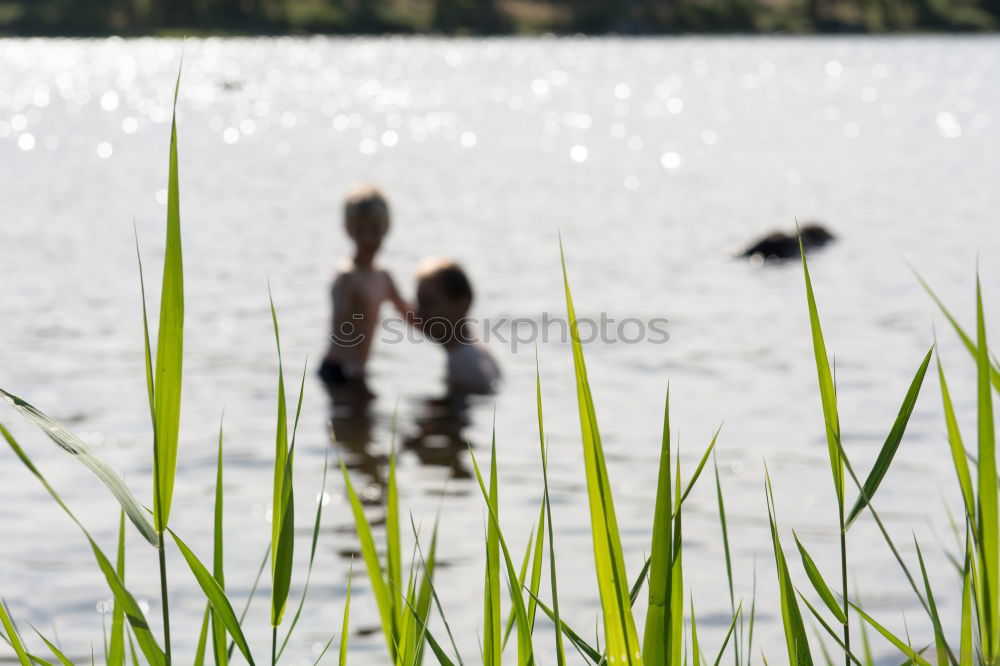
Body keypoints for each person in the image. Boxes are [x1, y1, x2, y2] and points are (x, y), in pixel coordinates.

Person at [319, 185, 412, 389]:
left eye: (375, 229)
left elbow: (410, 315)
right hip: (338, 369)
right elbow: (342, 329)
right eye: (361, 230)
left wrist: (449, 332)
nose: (368, 238)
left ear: (387, 227)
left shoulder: (384, 277)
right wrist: (353, 373)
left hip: (358, 371)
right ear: (348, 229)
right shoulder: (346, 278)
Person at [415, 258, 501, 396]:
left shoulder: (463, 365)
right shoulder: (475, 350)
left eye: (429, 303)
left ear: (462, 304)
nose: (419, 313)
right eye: (419, 303)